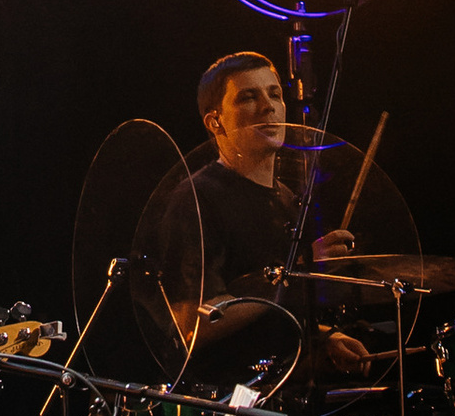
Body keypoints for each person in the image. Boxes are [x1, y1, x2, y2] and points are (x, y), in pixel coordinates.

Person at [142, 49, 376, 391]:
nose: (268, 106)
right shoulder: (196, 199)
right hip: (226, 404)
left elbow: (274, 312)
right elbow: (192, 324)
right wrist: (296, 271)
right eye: (249, 97)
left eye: (275, 94)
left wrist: (325, 336)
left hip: (287, 397)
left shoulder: (286, 199)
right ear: (215, 121)